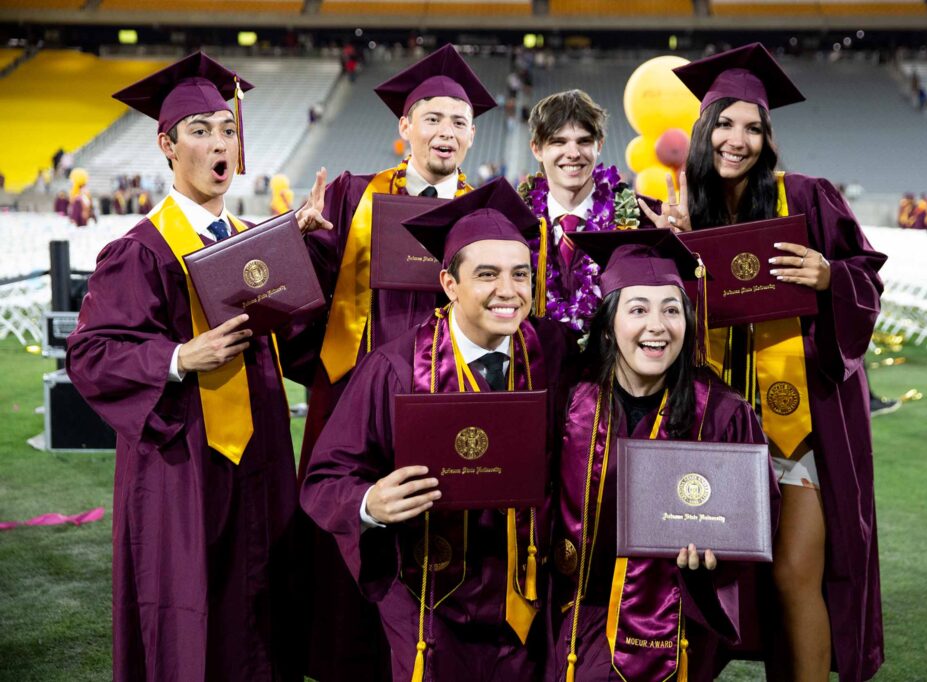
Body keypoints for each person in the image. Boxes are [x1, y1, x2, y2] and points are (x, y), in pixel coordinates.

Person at [66, 52, 325, 681]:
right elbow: (92, 353)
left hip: (260, 459)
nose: (219, 144)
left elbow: (298, 343)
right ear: (167, 144)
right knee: (187, 611)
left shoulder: (254, 240)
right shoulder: (140, 250)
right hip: (181, 466)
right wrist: (180, 356)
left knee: (260, 610)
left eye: (227, 129)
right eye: (201, 130)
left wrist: (310, 247)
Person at [674, 44, 887, 681]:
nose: (738, 140)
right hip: (713, 427)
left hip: (796, 428)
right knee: (699, 583)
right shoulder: (685, 216)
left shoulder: (806, 198)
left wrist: (829, 276)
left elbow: (866, 282)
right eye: (726, 123)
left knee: (798, 575)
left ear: (768, 138)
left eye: (755, 127)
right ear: (703, 128)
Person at [300, 179, 570, 681]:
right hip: (431, 606)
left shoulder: (557, 354)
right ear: (449, 284)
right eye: (487, 275)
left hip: (534, 600)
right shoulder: (396, 368)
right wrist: (368, 504)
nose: (508, 292)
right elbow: (326, 478)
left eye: (519, 275)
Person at [286, 43, 498, 681]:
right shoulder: (355, 195)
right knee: (350, 529)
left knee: (443, 539)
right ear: (404, 127)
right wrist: (300, 242)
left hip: (447, 400)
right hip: (355, 400)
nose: (446, 132)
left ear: (470, 136)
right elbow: (305, 300)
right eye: (432, 118)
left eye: (459, 121)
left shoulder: (485, 212)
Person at [549, 229, 778, 681]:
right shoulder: (571, 402)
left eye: (671, 310)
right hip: (574, 615)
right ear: (609, 321)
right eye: (638, 310)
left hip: (677, 618)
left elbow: (757, 515)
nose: (657, 326)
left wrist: (720, 555)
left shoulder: (723, 413)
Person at [518, 89, 684, 332]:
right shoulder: (514, 222)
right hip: (537, 364)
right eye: (558, 141)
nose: (573, 153)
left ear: (600, 145)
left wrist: (681, 243)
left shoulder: (645, 219)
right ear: (537, 148)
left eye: (584, 141)